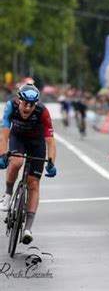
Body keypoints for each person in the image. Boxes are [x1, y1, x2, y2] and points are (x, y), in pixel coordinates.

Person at [0, 83, 57, 245]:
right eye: (25, 104)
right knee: (16, 162)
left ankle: (28, 229)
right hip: (18, 138)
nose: (28, 108)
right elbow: (3, 136)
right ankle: (8, 194)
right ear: (19, 100)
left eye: (32, 105)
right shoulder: (10, 106)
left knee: (33, 183)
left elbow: (50, 141)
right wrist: (2, 155)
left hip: (36, 143)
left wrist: (52, 162)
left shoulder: (42, 111)